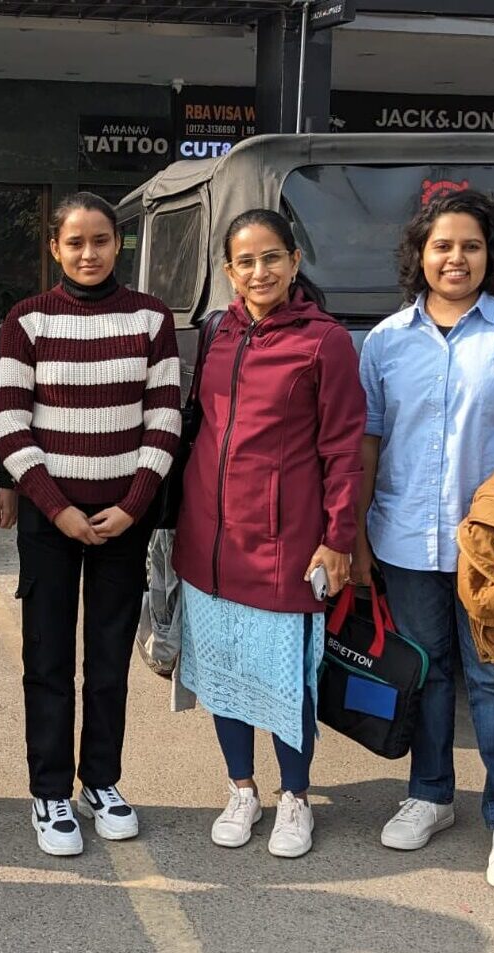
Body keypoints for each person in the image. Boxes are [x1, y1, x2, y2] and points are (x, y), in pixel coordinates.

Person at [355, 190, 494, 893]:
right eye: (442, 245)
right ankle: (431, 795)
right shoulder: (385, 341)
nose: (455, 257)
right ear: (420, 253)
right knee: (426, 673)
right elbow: (370, 441)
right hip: (404, 539)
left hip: (490, 546)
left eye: (470, 246)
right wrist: (356, 533)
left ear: (490, 256)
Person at [0, 192, 181, 857]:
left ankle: (100, 779)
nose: (88, 253)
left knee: (106, 663)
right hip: (52, 522)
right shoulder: (27, 321)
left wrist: (132, 503)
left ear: (117, 245)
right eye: (75, 242)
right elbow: (9, 425)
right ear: (54, 248)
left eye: (101, 240)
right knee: (46, 659)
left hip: (122, 520)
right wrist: (57, 507)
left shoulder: (150, 318)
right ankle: (48, 790)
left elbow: (163, 419)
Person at [171, 208, 365, 860]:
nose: (260, 271)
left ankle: (295, 797)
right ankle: (241, 788)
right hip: (209, 541)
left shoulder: (323, 341)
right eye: (245, 261)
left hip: (285, 542)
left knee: (286, 681)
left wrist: (337, 540)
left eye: (272, 257)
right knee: (224, 672)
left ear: (294, 262)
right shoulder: (216, 333)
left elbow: (341, 449)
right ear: (229, 270)